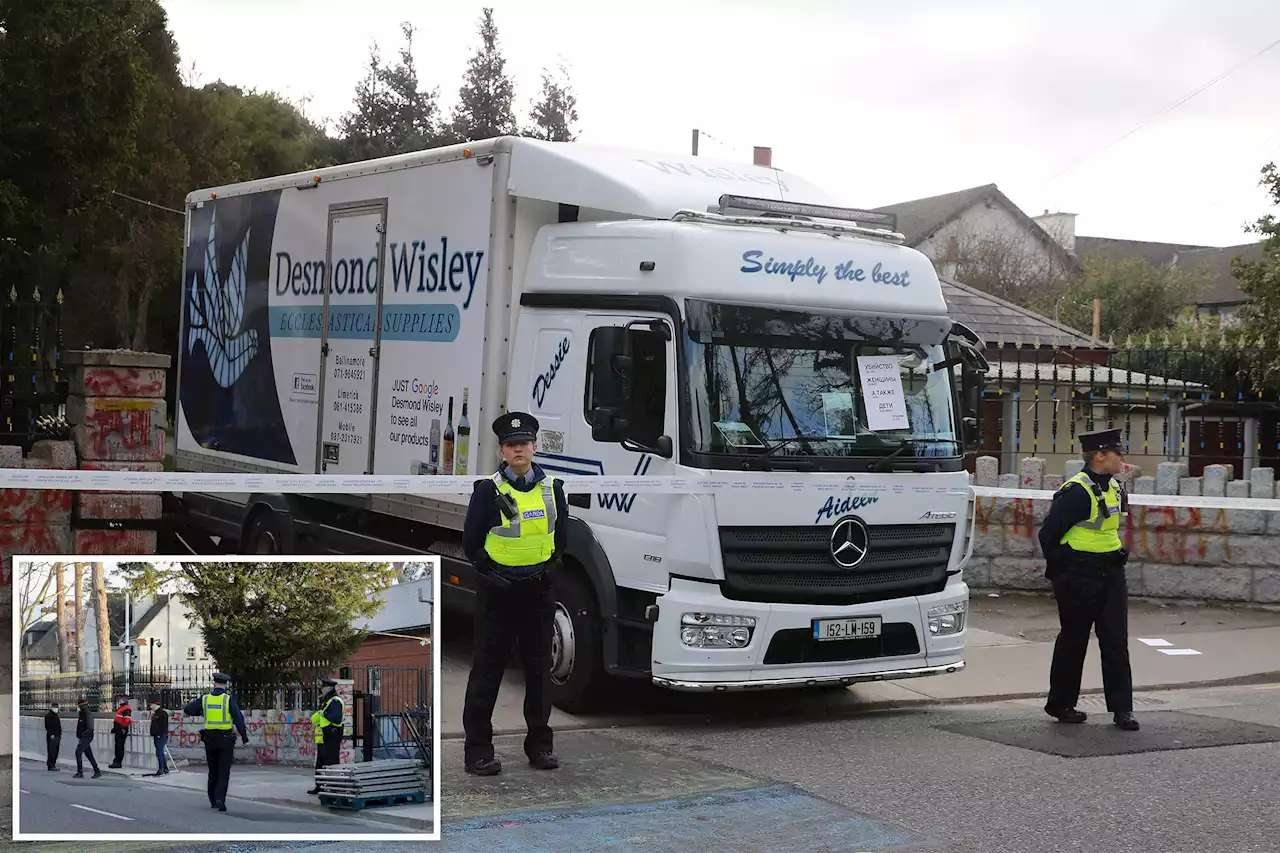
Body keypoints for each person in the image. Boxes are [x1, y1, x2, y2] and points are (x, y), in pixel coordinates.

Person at [460, 411, 568, 776]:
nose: (518, 450)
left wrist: (547, 574)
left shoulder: (553, 489)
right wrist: (493, 577)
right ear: (502, 451)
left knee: (539, 674)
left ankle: (540, 746)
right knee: (487, 673)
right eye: (511, 445)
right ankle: (478, 751)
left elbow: (560, 542)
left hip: (537, 593)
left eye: (523, 444)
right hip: (498, 594)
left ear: (534, 447)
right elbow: (471, 544)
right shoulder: (488, 492)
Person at [1038, 427, 1139, 731]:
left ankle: (1123, 710)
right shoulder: (1077, 491)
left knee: (1116, 642)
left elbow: (1107, 530)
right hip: (1078, 574)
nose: (1122, 459)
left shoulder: (1115, 488)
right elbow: (1048, 535)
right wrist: (1062, 574)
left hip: (1111, 572)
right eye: (1117, 453)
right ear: (1099, 456)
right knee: (1074, 640)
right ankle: (1061, 704)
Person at [183, 672, 249, 812]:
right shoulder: (227, 699)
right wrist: (244, 737)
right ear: (225, 685)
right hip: (225, 739)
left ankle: (212, 800)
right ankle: (220, 800)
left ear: (214, 683)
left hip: (210, 739)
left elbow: (188, 709)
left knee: (212, 771)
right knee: (223, 771)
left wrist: (201, 712)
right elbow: (238, 719)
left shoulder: (205, 699)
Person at [306, 678, 345, 795]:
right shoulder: (326, 701)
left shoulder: (335, 701)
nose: (321, 690)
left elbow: (336, 719)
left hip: (332, 737)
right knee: (321, 764)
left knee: (331, 764)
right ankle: (320, 787)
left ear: (329, 688)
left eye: (322, 688)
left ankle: (333, 787)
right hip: (324, 738)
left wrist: (323, 714)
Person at [73, 698, 102, 779]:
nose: (78, 708)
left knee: (78, 752)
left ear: (82, 706)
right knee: (89, 755)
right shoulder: (82, 715)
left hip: (86, 737)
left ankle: (80, 772)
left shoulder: (88, 715)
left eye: (79, 706)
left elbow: (90, 728)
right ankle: (97, 771)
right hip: (83, 737)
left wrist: (83, 735)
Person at [146, 699, 170, 777]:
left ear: (156, 705)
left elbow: (163, 725)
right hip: (157, 735)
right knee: (160, 752)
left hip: (160, 736)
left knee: (159, 753)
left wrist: (160, 734)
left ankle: (161, 769)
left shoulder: (162, 714)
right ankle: (165, 768)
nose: (150, 706)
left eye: (152, 705)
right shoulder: (155, 714)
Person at [108, 695, 132, 768]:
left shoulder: (126, 708)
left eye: (122, 699)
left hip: (121, 730)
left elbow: (127, 720)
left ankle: (118, 762)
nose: (120, 700)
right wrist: (115, 728)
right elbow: (119, 718)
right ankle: (116, 761)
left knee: (119, 746)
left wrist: (123, 729)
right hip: (118, 729)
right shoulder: (122, 708)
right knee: (117, 745)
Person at [44, 702, 61, 771]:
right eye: (55, 707)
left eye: (57, 707)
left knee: (55, 751)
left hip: (57, 735)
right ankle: (51, 765)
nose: (56, 709)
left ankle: (53, 764)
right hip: (52, 736)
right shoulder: (49, 716)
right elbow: (48, 726)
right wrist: (51, 734)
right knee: (52, 751)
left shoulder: (55, 715)